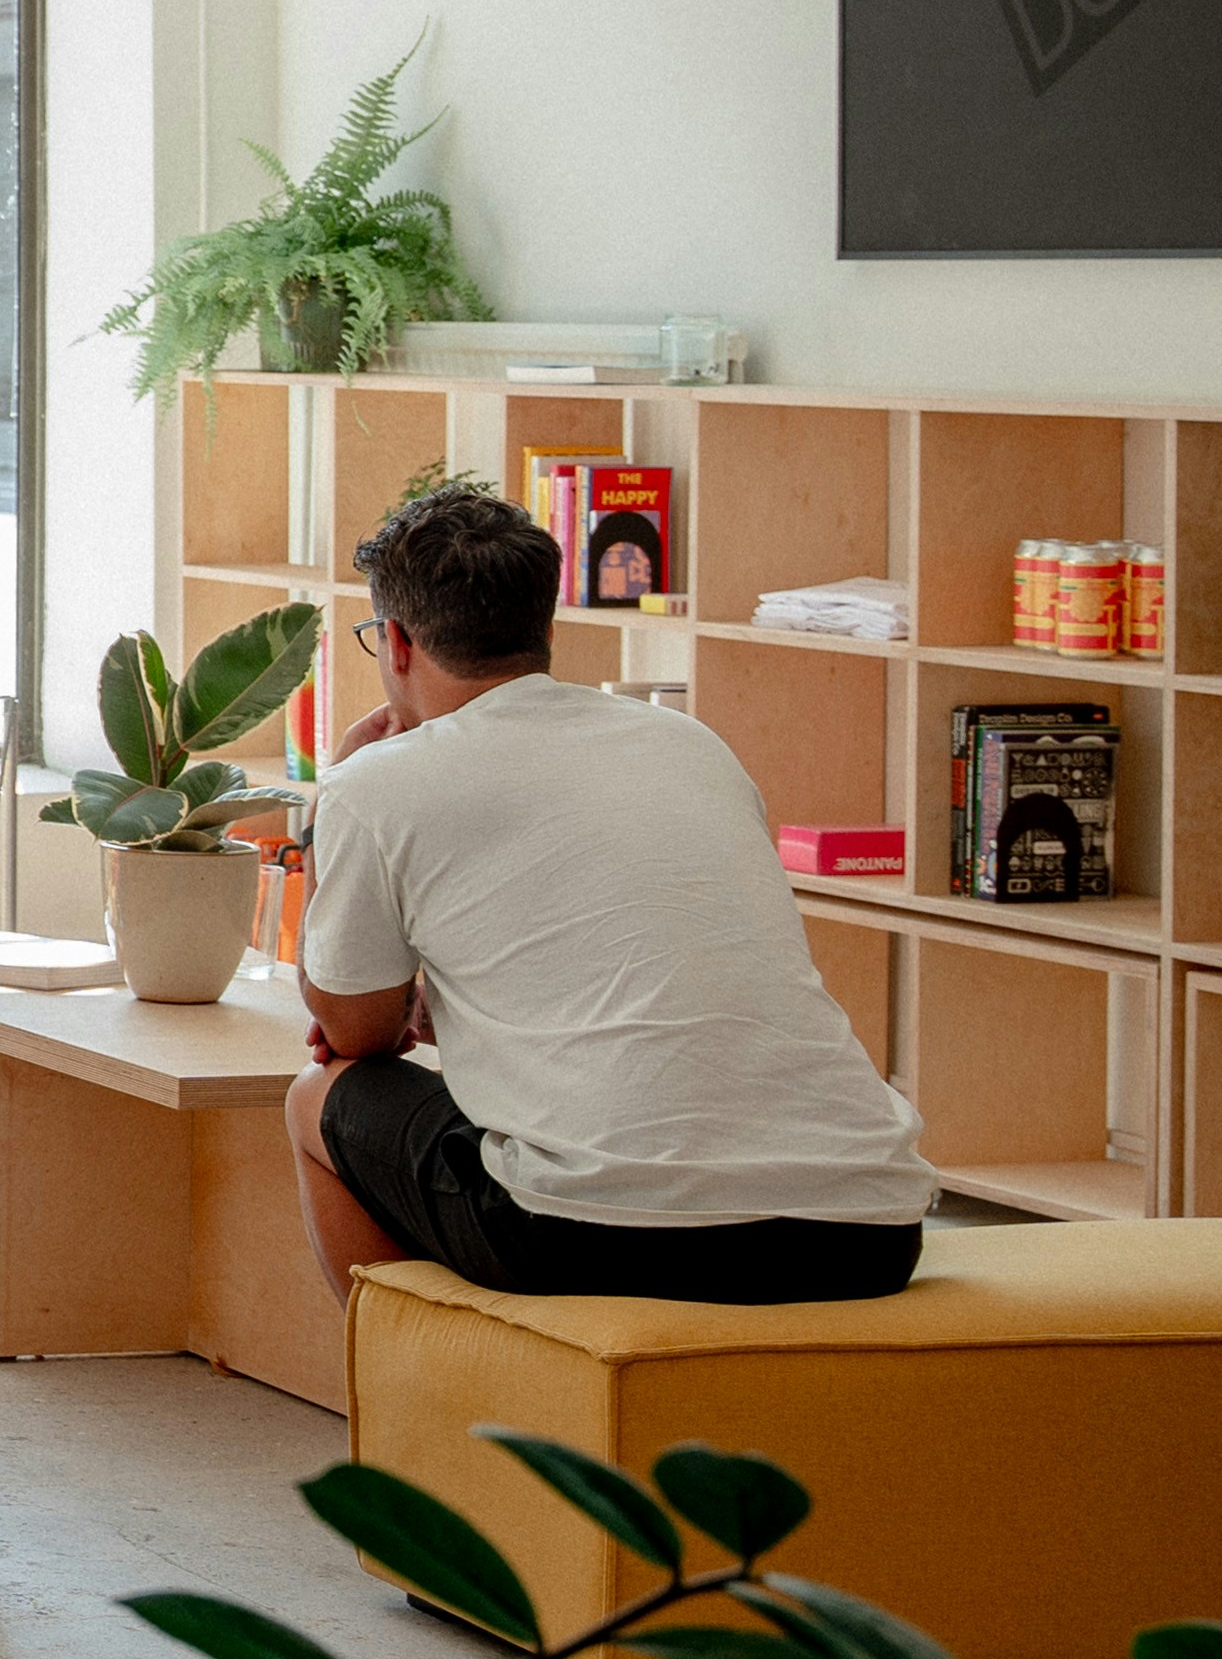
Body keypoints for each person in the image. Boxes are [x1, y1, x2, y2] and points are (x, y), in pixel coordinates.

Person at [283, 489, 931, 1303]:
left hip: (599, 1235)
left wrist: (333, 801)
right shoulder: (690, 745)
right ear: (545, 630)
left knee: (321, 1097)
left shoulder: (375, 781)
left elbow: (353, 1031)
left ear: (398, 643)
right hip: (866, 1231)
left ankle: (406, 1412)